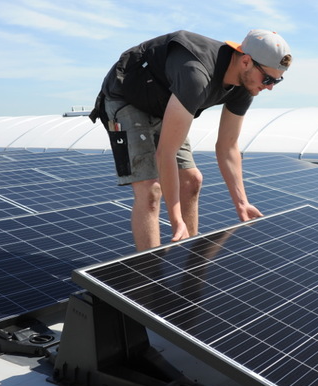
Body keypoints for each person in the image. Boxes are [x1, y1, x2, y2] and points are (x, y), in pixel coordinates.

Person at [90, 29, 292, 251]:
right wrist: (176, 219)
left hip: (164, 101)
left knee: (192, 180)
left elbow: (227, 146)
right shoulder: (196, 74)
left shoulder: (247, 86)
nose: (270, 87)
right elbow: (166, 152)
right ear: (245, 61)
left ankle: (189, 262)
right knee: (150, 190)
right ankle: (151, 276)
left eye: (278, 81)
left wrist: (241, 202)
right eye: (268, 79)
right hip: (127, 95)